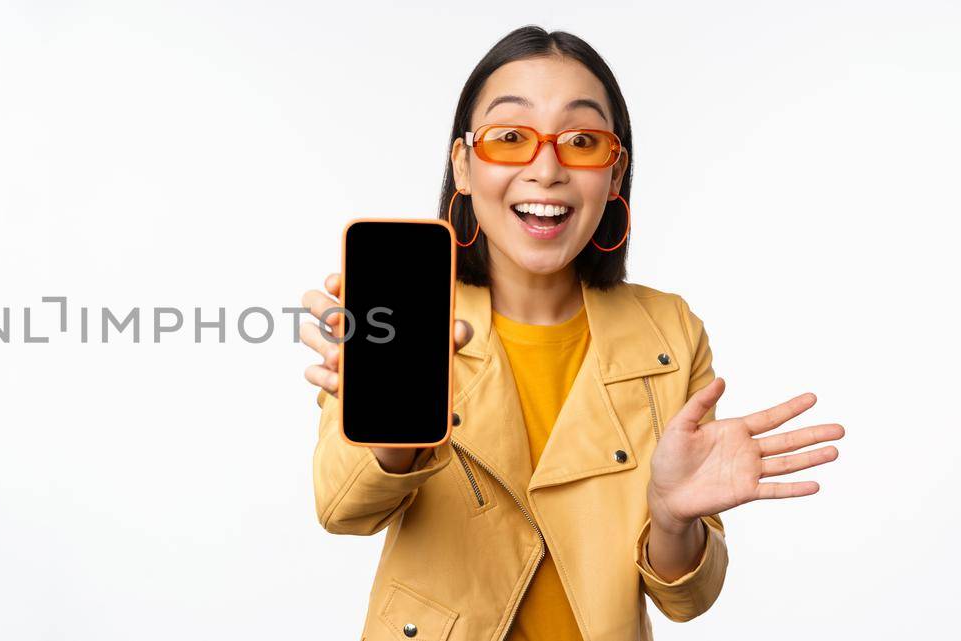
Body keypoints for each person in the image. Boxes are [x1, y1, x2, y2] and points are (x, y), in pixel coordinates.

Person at [299, 26, 845, 641]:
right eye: (510, 137)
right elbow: (342, 511)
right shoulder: (404, 310)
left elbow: (689, 597)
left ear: (615, 174)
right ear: (463, 166)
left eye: (582, 141)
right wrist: (396, 427)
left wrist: (671, 519)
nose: (548, 168)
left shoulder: (670, 329)